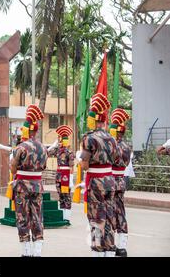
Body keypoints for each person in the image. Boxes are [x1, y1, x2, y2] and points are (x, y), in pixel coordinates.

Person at [80, 93, 118, 257]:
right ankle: (109, 252)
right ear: (104, 122)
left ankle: (97, 252)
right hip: (110, 181)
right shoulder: (112, 138)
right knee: (109, 217)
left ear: (94, 120)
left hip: (96, 182)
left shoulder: (89, 138)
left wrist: (79, 160)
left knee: (96, 218)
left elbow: (85, 164)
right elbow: (115, 159)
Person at [10, 104, 47, 257]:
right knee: (37, 217)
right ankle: (37, 251)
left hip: (22, 187)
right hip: (37, 186)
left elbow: (13, 169)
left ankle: (26, 252)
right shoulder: (43, 148)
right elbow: (43, 167)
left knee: (23, 218)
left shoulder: (21, 147)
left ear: (27, 129)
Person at [109, 108, 132, 257]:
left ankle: (111, 245)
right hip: (121, 180)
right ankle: (122, 247)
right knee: (121, 212)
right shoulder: (127, 147)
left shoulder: (112, 145)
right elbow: (127, 162)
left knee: (110, 213)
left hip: (110, 180)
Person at [47, 125, 75, 222]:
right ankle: (62, 215)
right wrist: (53, 145)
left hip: (66, 176)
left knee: (66, 195)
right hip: (59, 174)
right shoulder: (57, 150)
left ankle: (67, 217)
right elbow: (47, 153)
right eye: (60, 139)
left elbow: (72, 167)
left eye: (61, 139)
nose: (60, 141)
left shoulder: (69, 152)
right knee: (60, 195)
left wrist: (71, 178)